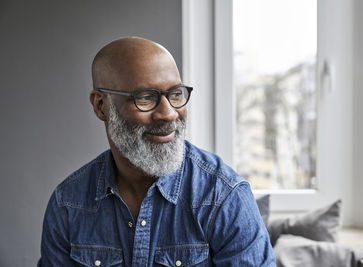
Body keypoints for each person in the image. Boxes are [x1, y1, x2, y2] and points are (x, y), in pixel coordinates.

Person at [38, 36, 276, 266]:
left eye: (175, 94)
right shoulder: (68, 204)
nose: (169, 113)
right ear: (101, 106)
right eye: (145, 97)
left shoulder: (224, 197)